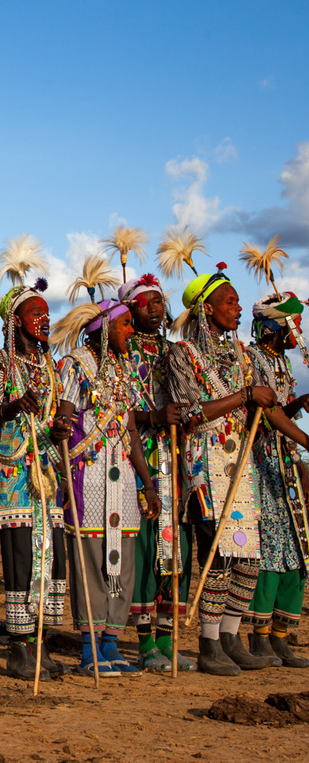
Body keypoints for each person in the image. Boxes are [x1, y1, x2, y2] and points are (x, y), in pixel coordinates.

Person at [162, 263, 274, 675]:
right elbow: (189, 413)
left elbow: (267, 406)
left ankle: (231, 636)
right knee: (219, 554)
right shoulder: (182, 354)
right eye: (230, 301)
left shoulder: (242, 355)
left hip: (241, 462)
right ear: (206, 308)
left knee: (248, 556)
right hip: (204, 464)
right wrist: (245, 395)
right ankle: (209, 643)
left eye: (239, 301)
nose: (237, 308)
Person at [52, 296, 162, 676]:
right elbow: (64, 419)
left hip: (124, 481)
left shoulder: (124, 369)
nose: (131, 331)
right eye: (125, 324)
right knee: (91, 563)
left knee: (123, 564)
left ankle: (112, 644)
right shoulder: (76, 365)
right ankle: (89, 649)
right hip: (88, 479)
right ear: (104, 329)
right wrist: (61, 435)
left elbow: (131, 433)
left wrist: (148, 485)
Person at [0, 236, 71, 681]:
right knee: (19, 558)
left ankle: (41, 643)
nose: (44, 319)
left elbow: (57, 412)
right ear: (14, 322)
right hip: (14, 473)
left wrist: (59, 427)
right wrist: (14, 406)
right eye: (35, 314)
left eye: (46, 313)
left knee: (51, 557)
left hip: (47, 475)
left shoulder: (52, 367)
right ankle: (19, 648)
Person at [120, 274, 194, 672]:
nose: (154, 307)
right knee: (146, 550)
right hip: (139, 462)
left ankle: (167, 639)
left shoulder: (175, 352)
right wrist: (153, 416)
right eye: (145, 301)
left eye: (159, 301)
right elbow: (114, 411)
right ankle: (146, 643)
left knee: (175, 549)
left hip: (175, 459)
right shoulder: (121, 351)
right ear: (129, 309)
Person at [244, 291, 309, 667]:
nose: (298, 331)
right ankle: (260, 636)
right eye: (293, 324)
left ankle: (281, 636)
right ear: (274, 326)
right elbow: (268, 414)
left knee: (297, 549)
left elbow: (283, 409)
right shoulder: (251, 359)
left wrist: (298, 404)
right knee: (270, 550)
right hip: (261, 464)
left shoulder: (282, 363)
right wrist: (306, 439)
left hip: (286, 465)